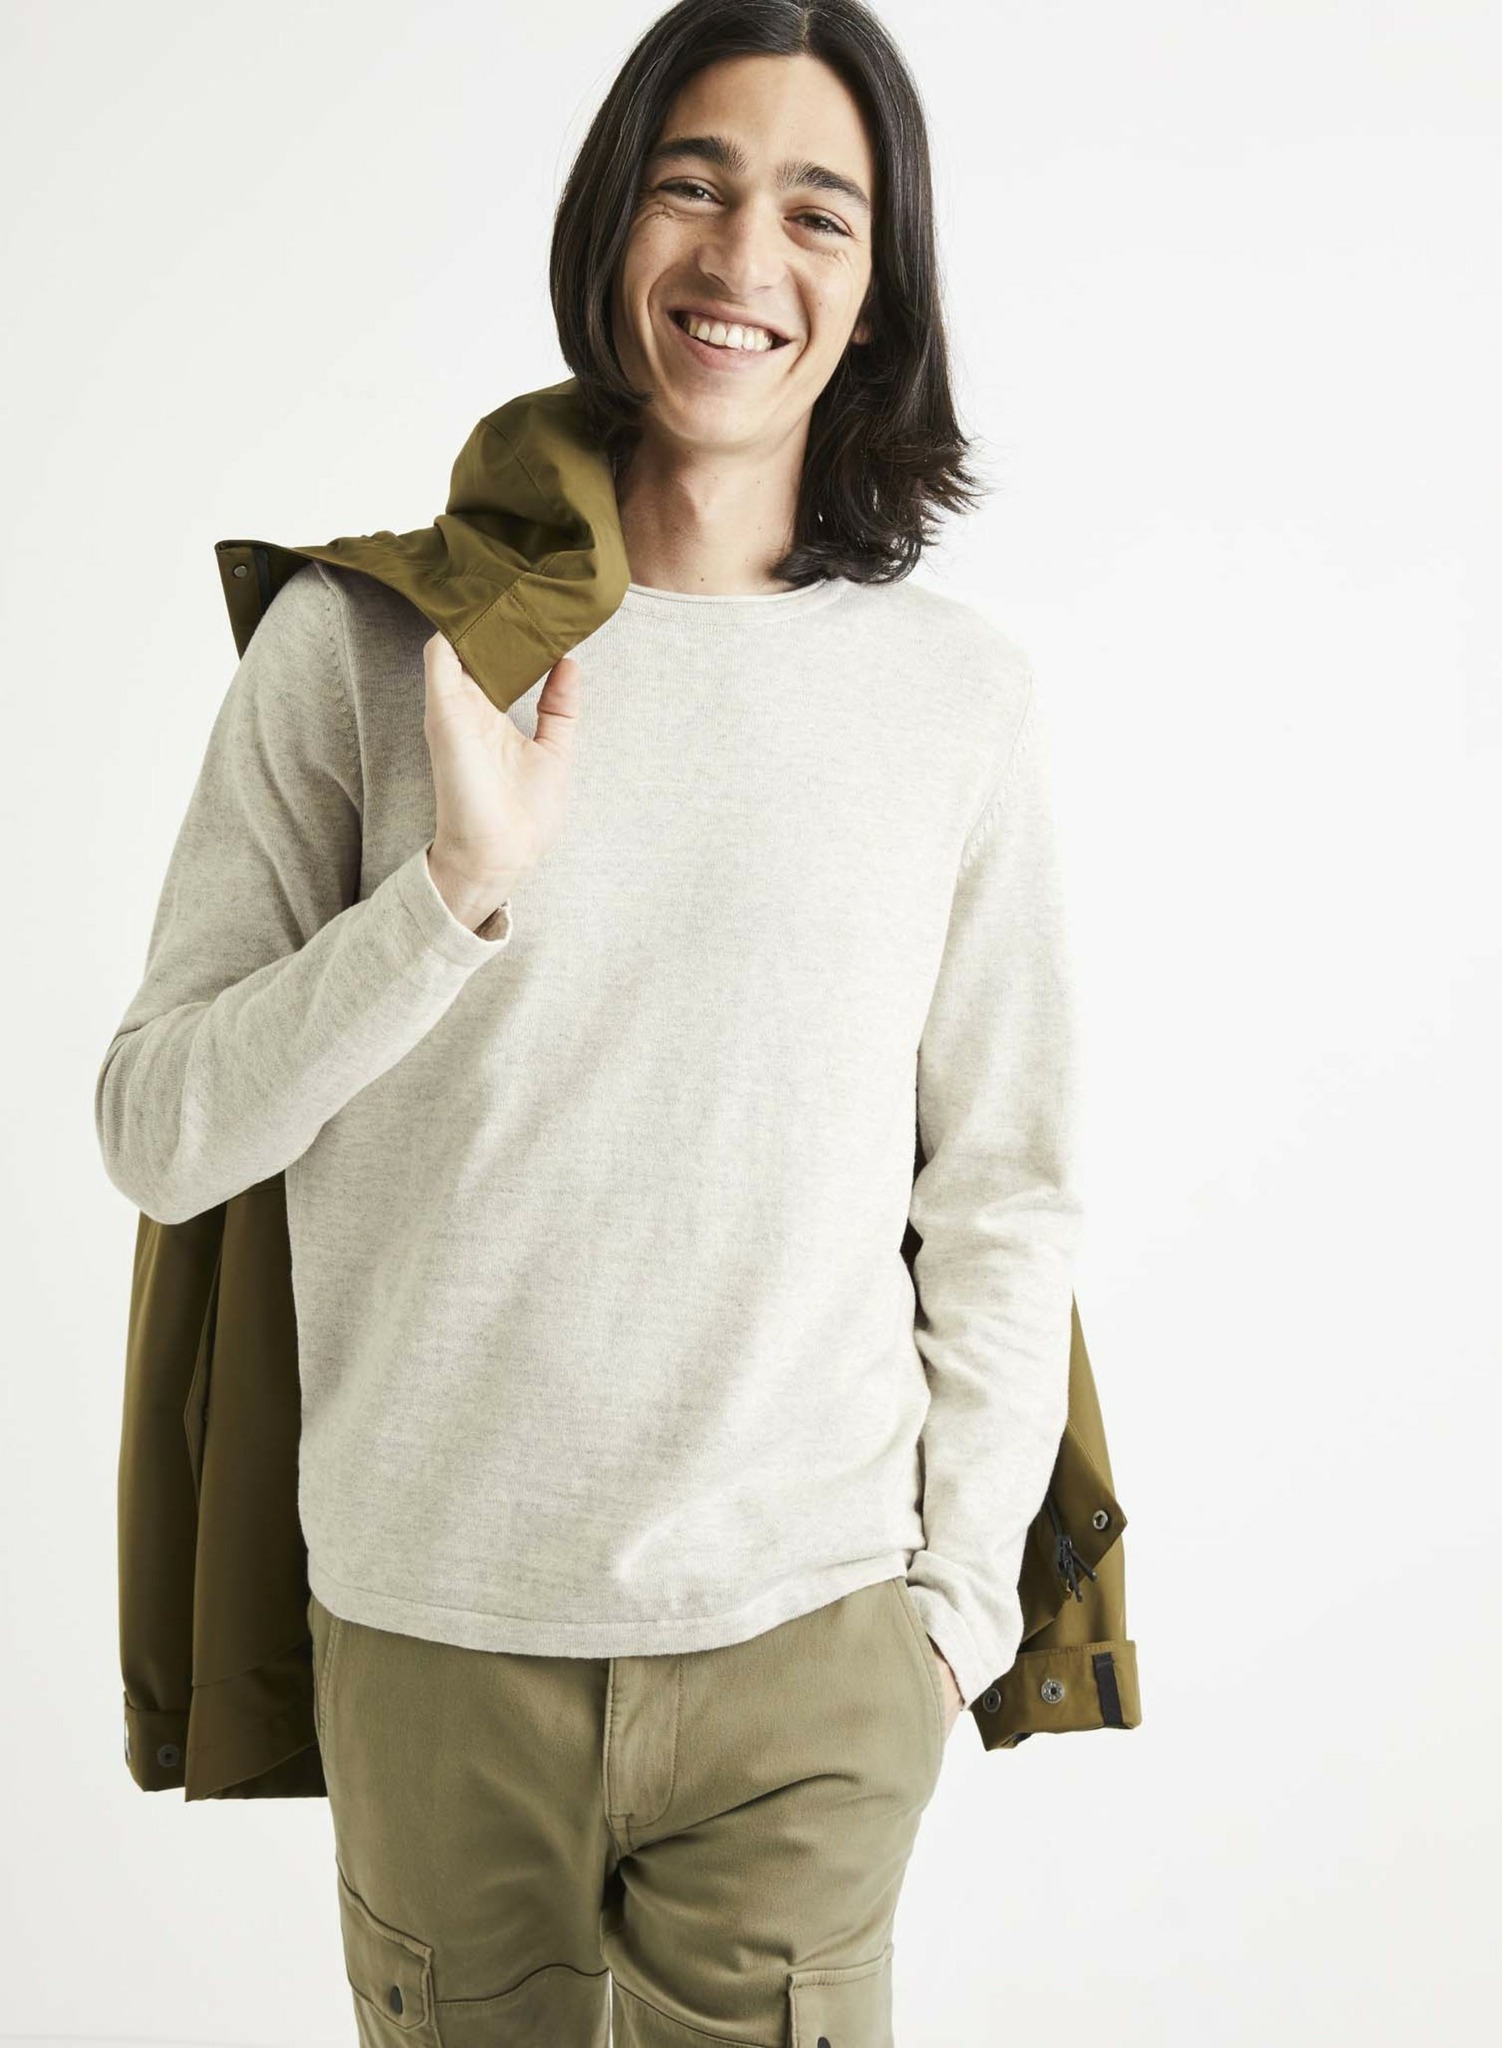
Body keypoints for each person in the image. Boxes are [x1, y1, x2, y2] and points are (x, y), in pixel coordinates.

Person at [94, 1, 1084, 2039]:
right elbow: (158, 1130)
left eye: (819, 212)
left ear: (879, 290)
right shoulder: (367, 645)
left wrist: (951, 1623)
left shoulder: (951, 699)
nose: (744, 258)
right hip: (436, 1634)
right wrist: (445, 900)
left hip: (810, 1646)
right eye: (692, 185)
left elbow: (1000, 1186)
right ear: (610, 220)